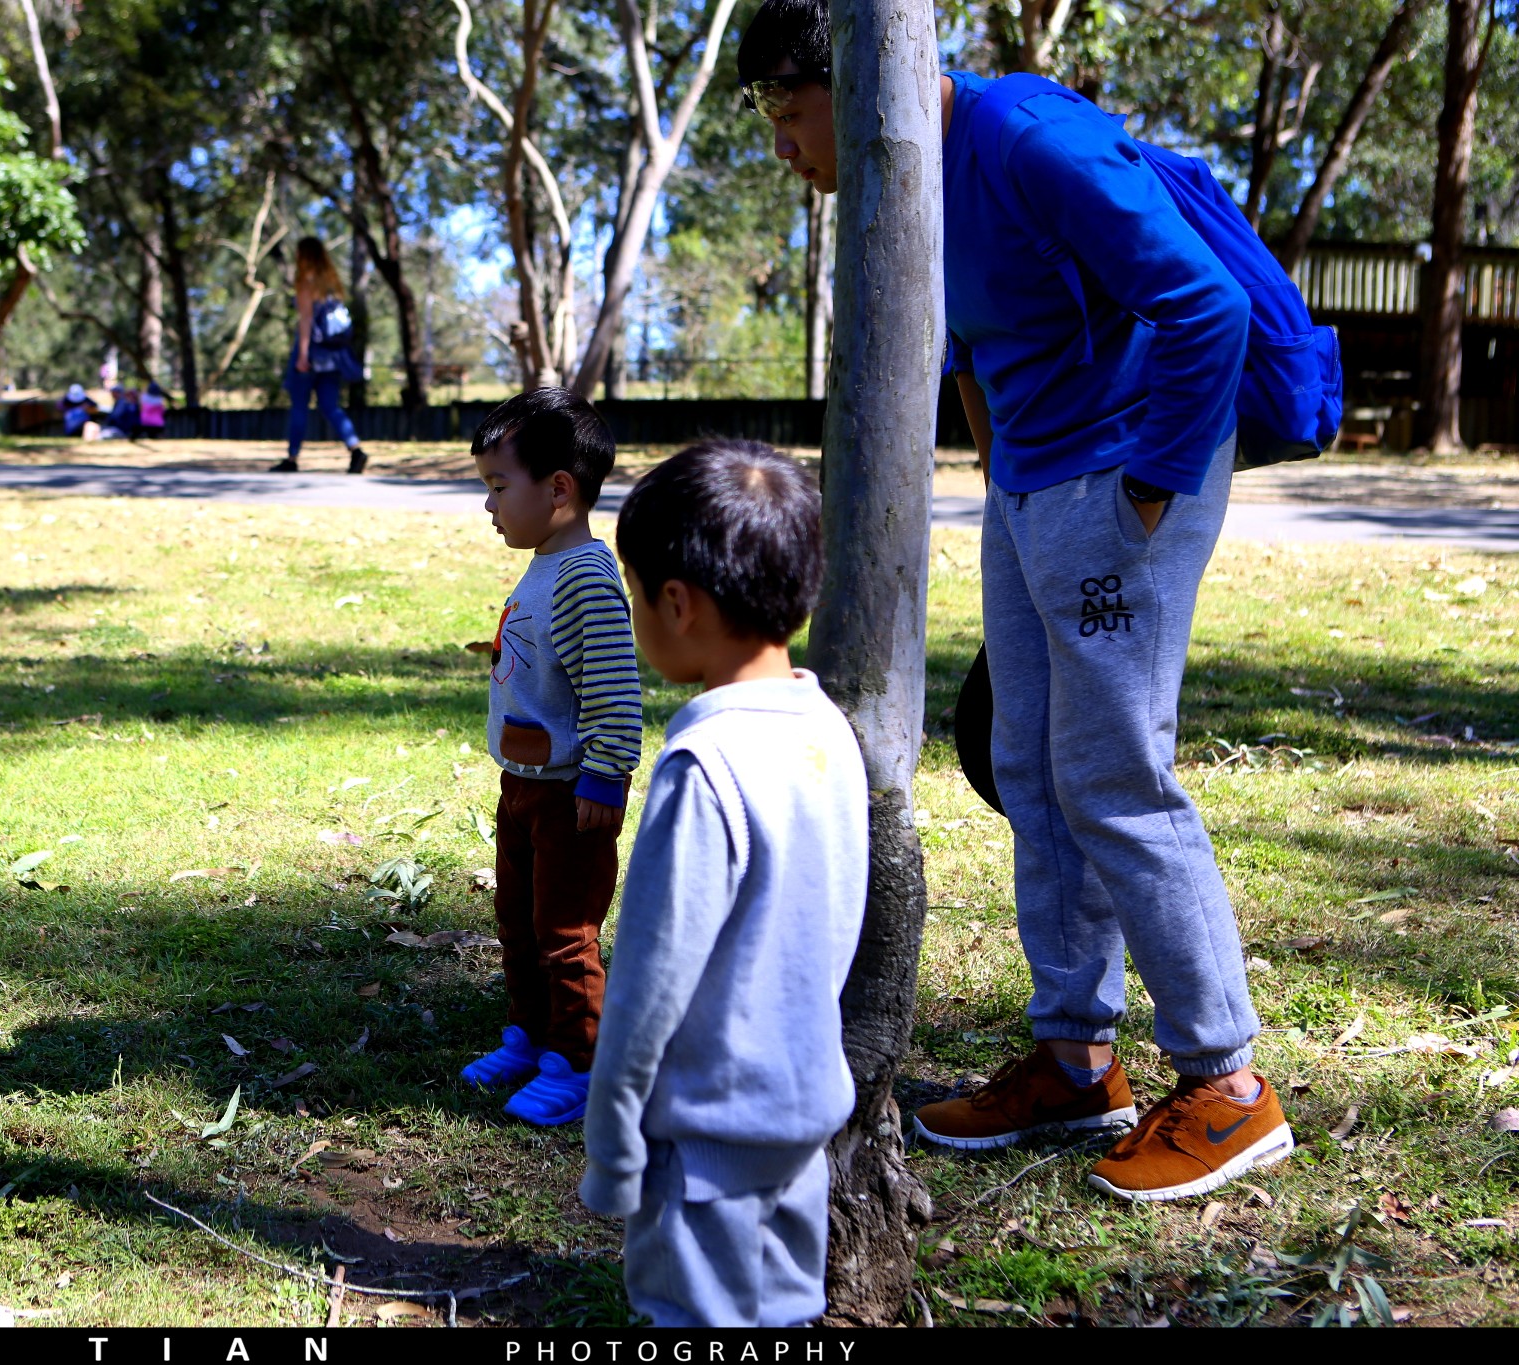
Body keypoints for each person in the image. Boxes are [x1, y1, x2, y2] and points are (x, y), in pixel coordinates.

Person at [737, 0, 1291, 1203]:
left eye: (790, 115)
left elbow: (1205, 309)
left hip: (1120, 482)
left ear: (865, 78)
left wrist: (1139, 495)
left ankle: (1226, 1084)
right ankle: (1073, 1059)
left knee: (1110, 774)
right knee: (1029, 766)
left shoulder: (1027, 139)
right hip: (1033, 494)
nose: (785, 149)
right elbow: (975, 354)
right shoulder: (907, 185)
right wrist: (1009, 490)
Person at [582, 439, 866, 1327]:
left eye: (636, 599)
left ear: (678, 602)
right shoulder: (828, 731)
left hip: (704, 1140)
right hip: (803, 1115)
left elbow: (647, 984)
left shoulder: (703, 764)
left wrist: (613, 1141)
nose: (635, 618)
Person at [462, 387, 642, 1127]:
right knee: (517, 918)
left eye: (499, 487)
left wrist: (605, 776)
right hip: (523, 785)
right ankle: (530, 1035)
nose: (489, 506)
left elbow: (615, 693)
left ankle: (579, 1056)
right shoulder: (543, 564)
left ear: (559, 488)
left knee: (565, 932)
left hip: (572, 793)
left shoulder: (586, 580)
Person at [272, 237, 365, 475]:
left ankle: (292, 459)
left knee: (300, 407)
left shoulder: (306, 281)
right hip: (333, 356)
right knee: (330, 406)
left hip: (311, 353)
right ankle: (356, 449)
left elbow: (306, 321)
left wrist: (302, 355)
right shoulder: (332, 284)